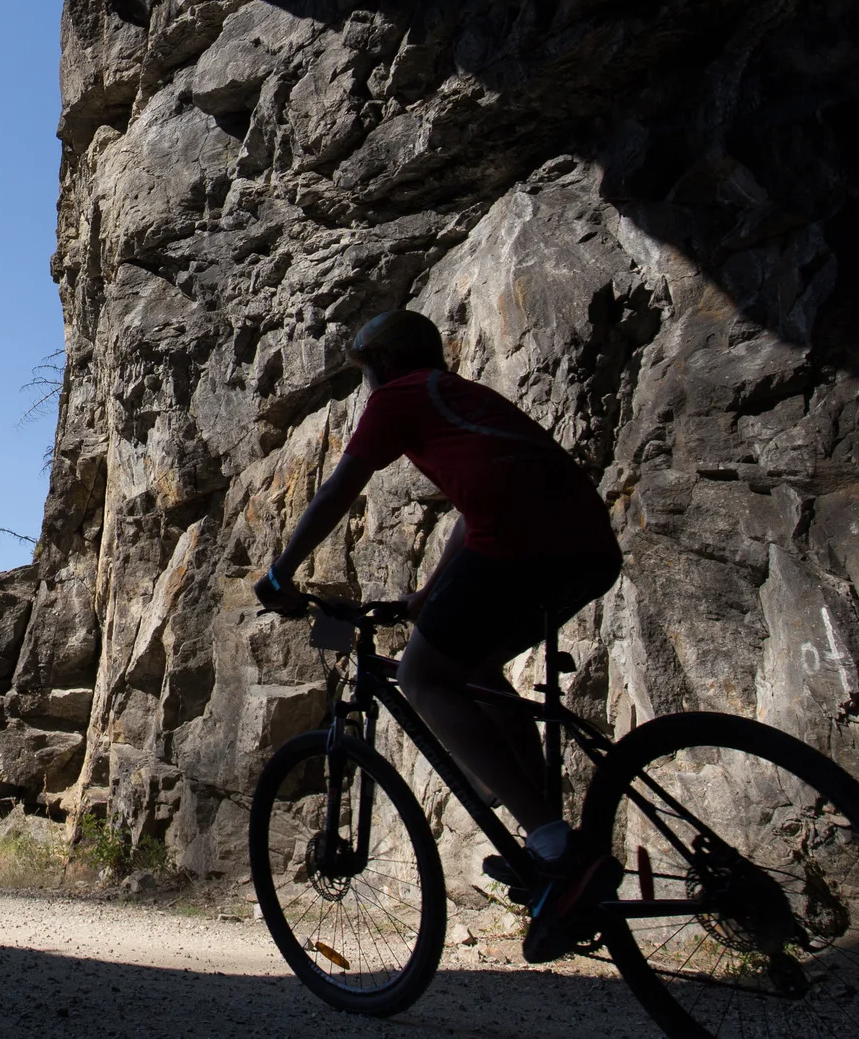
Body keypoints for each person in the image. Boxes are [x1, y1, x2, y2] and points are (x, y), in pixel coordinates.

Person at [252, 308, 622, 963]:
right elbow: (469, 514)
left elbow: (340, 489)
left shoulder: (399, 395)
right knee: (474, 670)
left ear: (384, 363)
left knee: (423, 676)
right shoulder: (459, 399)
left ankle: (553, 845)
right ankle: (551, 843)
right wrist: (426, 596)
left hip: (522, 539)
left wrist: (281, 572)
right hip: (587, 547)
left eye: (366, 371)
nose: (367, 384)